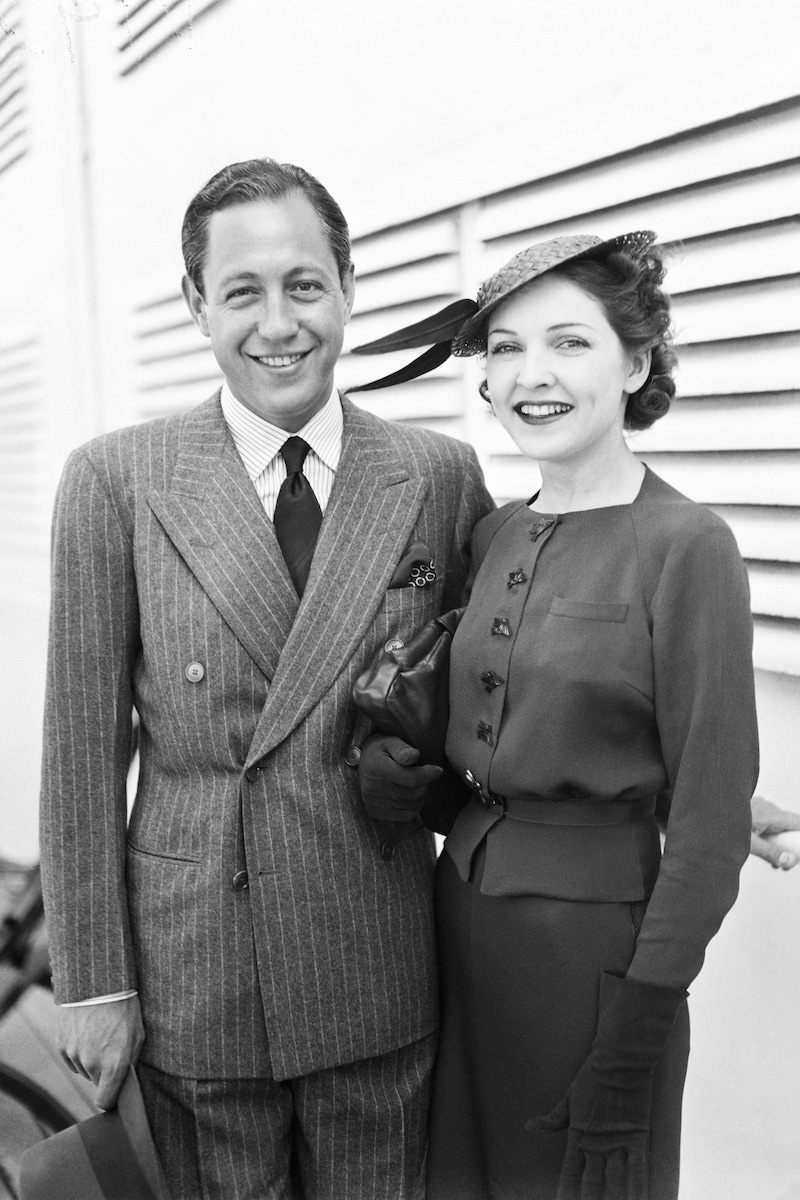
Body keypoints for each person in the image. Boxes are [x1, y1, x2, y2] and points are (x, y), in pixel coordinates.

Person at [38, 157, 493, 1200]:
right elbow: (80, 752)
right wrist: (94, 983)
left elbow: (507, 680)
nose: (276, 322)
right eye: (241, 291)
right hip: (196, 968)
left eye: (303, 285)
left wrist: (663, 781)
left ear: (346, 288)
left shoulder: (434, 476)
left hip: (374, 950)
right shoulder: (116, 480)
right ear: (198, 304)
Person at [354, 232, 759, 1200]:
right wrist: (407, 786)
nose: (530, 374)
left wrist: (636, 1034)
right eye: (502, 347)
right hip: (460, 930)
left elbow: (705, 832)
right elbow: (495, 752)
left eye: (568, 344)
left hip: (591, 964)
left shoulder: (687, 547)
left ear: (636, 363)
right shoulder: (494, 532)